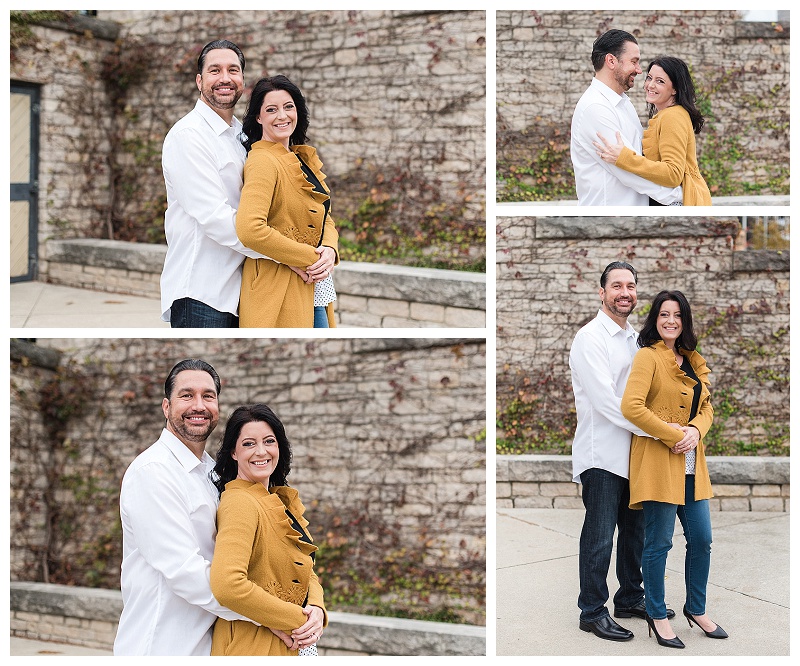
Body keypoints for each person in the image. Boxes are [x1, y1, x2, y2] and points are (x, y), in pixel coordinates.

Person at [114, 359, 261, 654]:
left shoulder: (215, 472)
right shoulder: (153, 472)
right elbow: (185, 571)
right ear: (167, 407)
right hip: (161, 646)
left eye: (208, 396)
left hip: (211, 644)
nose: (199, 405)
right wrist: (267, 613)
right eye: (187, 395)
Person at [569, 261, 678, 642]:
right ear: (602, 293)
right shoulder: (590, 338)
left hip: (637, 454)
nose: (625, 292)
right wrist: (662, 432)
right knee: (599, 537)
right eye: (616, 286)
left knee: (635, 534)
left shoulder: (636, 340)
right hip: (601, 455)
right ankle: (591, 611)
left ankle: (630, 597)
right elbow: (606, 402)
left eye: (630, 285)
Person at [621, 291, 727, 648]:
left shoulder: (693, 360)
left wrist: (697, 430)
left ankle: (696, 609)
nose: (670, 321)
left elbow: (708, 407)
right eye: (664, 314)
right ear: (655, 319)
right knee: (659, 543)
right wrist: (672, 435)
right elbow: (631, 407)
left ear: (685, 321)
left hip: (693, 465)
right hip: (658, 461)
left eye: (677, 315)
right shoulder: (647, 357)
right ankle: (656, 612)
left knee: (702, 539)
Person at [160, 40, 264, 328]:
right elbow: (215, 218)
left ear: (242, 80)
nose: (225, 78)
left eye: (233, 70)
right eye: (214, 70)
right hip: (202, 292)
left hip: (240, 290)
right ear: (199, 81)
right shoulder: (188, 136)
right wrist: (280, 252)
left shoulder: (242, 134)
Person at [209, 404, 327, 655]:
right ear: (233, 452)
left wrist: (316, 608)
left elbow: (305, 567)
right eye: (249, 444)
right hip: (251, 646)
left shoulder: (278, 501)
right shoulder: (240, 502)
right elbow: (227, 585)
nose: (261, 451)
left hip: (290, 644)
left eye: (269, 441)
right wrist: (297, 619)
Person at [235, 75, 339, 328]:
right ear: (258, 118)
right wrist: (309, 256)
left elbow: (324, 216)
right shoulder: (262, 161)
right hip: (276, 287)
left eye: (288, 107)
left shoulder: (299, 159)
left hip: (312, 284)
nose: (282, 116)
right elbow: (250, 229)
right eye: (271, 109)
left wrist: (329, 250)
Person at [570, 30, 683, 206]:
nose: (639, 70)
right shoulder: (595, 108)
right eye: (634, 62)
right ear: (611, 61)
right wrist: (677, 197)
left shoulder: (623, 102)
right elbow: (627, 170)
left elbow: (637, 160)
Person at [593, 56, 712, 206]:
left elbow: (673, 173)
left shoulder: (672, 116)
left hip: (682, 204)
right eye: (649, 78)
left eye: (660, 81)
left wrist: (624, 158)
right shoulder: (666, 114)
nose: (650, 85)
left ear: (675, 89)